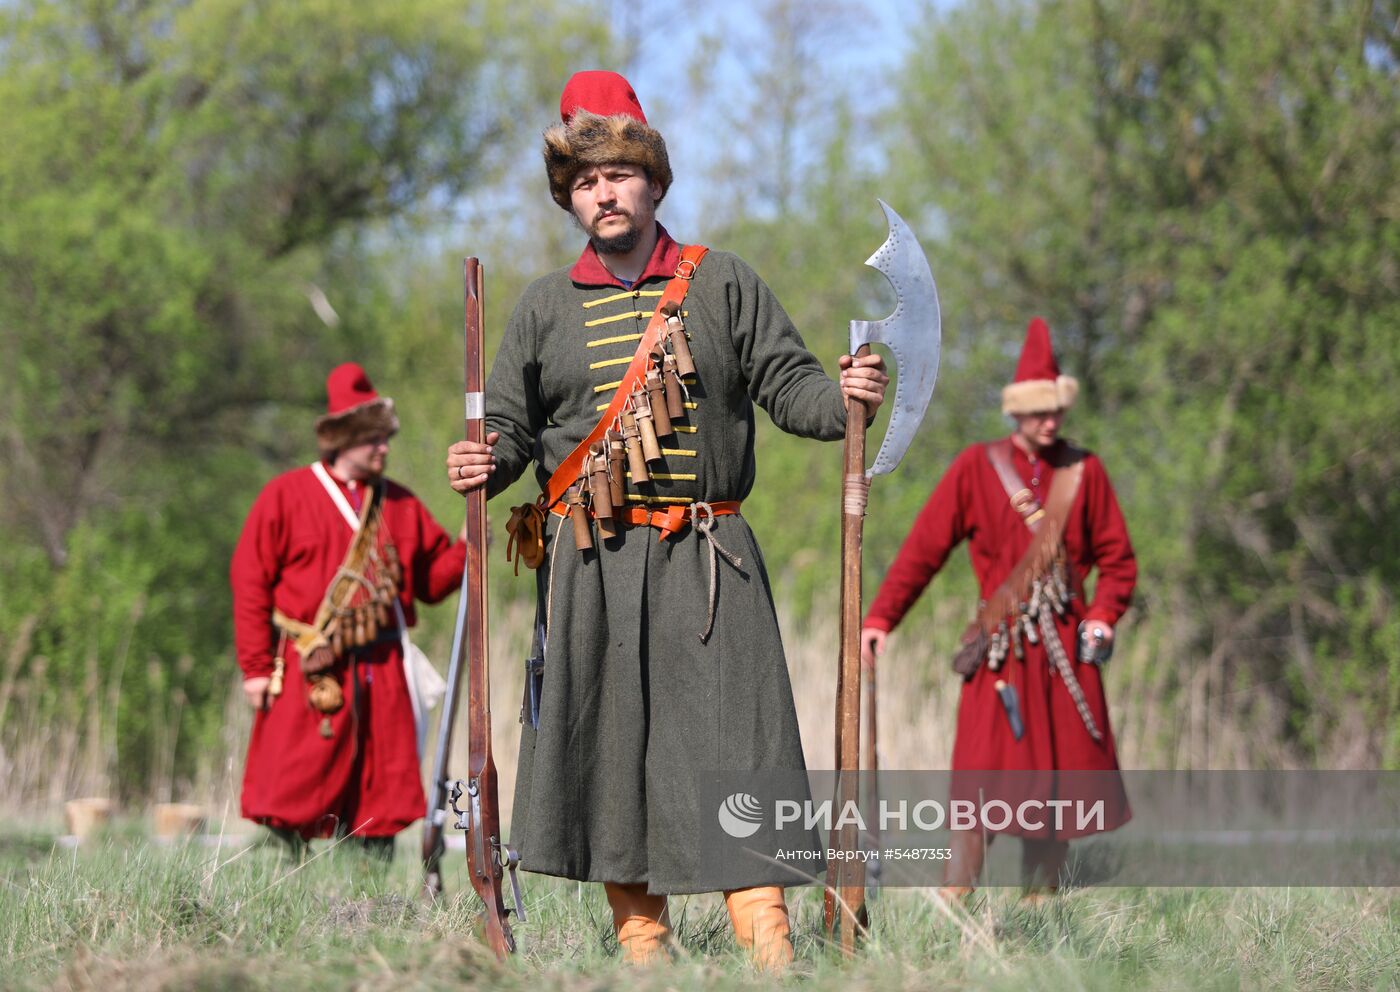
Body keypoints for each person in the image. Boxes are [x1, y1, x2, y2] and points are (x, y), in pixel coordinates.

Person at [445, 70, 888, 969]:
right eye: (582, 182)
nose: (601, 194)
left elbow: (789, 386)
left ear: (653, 180)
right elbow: (508, 428)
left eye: (616, 174)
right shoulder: (541, 306)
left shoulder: (722, 283)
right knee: (612, 759)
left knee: (740, 752)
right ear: (569, 199)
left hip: (710, 560)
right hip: (592, 562)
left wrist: (844, 395)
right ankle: (644, 954)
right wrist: (482, 460)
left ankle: (773, 954)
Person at [860, 317, 1137, 897]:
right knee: (979, 789)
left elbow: (1118, 561)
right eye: (1038, 412)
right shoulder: (976, 468)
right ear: (1015, 411)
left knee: (1055, 800)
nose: (1049, 421)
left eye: (1056, 411)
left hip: (1065, 659)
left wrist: (1102, 618)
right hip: (999, 652)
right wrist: (883, 617)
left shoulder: (1085, 472)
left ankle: (1039, 917)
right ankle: (952, 910)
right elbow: (923, 551)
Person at [232, 362, 466, 858]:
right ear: (341, 440)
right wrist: (255, 669)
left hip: (381, 670)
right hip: (309, 664)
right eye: (373, 440)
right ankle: (280, 881)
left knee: (379, 793)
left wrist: (468, 543)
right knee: (292, 784)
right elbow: (250, 582)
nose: (384, 448)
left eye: (386, 439)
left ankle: (367, 898)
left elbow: (431, 582)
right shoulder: (286, 495)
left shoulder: (398, 504)